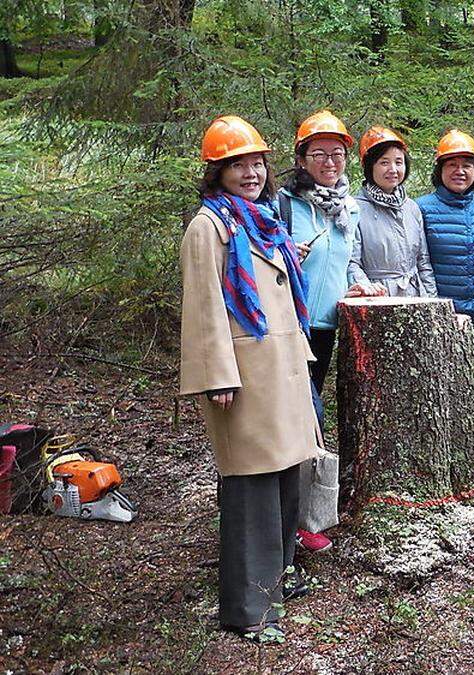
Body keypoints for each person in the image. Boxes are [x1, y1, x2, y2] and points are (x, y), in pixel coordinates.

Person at [180, 116, 321, 641]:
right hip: (243, 376)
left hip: (281, 370)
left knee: (288, 477)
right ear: (217, 171)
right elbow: (205, 306)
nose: (251, 172)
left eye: (257, 163)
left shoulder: (261, 221)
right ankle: (249, 608)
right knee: (250, 488)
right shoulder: (209, 225)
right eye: (238, 164)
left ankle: (280, 578)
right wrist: (218, 375)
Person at [277, 109, 359, 554]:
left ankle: (306, 513)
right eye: (319, 153)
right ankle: (299, 521)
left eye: (337, 153)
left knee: (314, 416)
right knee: (307, 418)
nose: (329, 161)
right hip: (293, 325)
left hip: (331, 325)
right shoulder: (285, 205)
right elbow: (262, 258)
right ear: (302, 158)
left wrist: (358, 282)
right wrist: (287, 251)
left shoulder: (349, 206)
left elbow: (346, 262)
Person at [417, 129, 474, 407]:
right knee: (443, 390)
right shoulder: (421, 209)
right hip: (441, 315)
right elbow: (416, 264)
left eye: (466, 165)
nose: (460, 171)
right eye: (452, 164)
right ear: (440, 170)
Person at [349, 126, 437, 299]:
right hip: (376, 297)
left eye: (398, 162)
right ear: (369, 166)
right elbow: (352, 262)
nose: (393, 169)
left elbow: (423, 262)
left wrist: (431, 301)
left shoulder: (411, 208)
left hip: (414, 297)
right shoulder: (355, 208)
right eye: (384, 162)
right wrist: (367, 290)